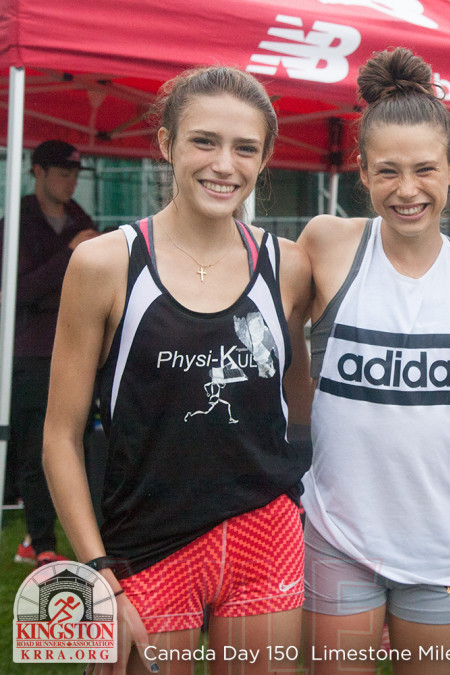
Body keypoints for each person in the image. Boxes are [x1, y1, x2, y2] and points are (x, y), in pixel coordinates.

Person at [42, 66, 313, 674]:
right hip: (142, 550)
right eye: (204, 141)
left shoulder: (288, 267)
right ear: (166, 144)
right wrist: (99, 575)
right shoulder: (104, 263)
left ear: (266, 158)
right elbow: (59, 436)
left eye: (246, 148)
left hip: (264, 533)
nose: (225, 165)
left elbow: (303, 403)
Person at [297, 47, 450, 675]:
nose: (407, 190)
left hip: (443, 548)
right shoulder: (328, 244)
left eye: (423, 170)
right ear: (361, 171)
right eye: (387, 171)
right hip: (338, 536)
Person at [0, 140, 97, 567]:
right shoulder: (15, 223)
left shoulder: (81, 218)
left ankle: (79, 536)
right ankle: (41, 543)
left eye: (75, 173)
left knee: (84, 446)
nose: (71, 180)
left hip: (82, 348)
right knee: (38, 449)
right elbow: (18, 293)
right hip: (32, 353)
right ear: (37, 172)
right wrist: (70, 255)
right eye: (63, 172)